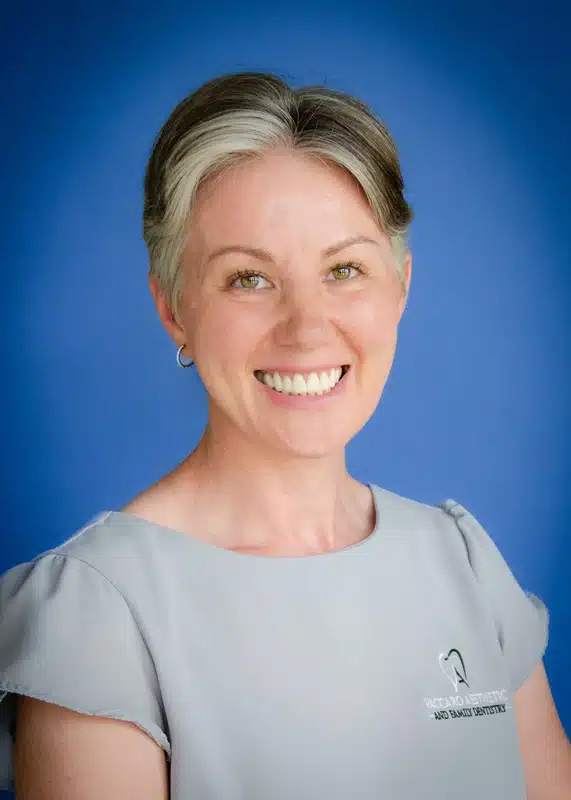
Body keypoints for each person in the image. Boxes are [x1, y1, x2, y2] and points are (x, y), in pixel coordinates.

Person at [1, 71, 570, 800]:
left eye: (344, 269)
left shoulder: (463, 563)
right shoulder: (98, 612)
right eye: (249, 278)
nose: (306, 328)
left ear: (400, 287)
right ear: (173, 309)